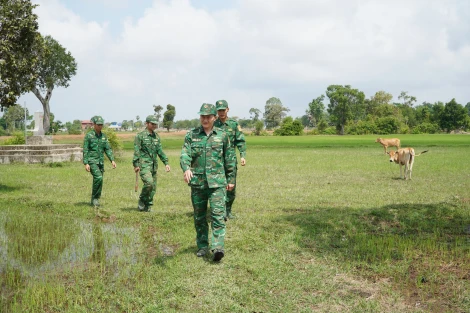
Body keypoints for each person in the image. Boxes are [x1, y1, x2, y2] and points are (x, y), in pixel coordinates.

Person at [180, 103, 236, 262]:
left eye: (208, 116)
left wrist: (231, 179)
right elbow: (185, 154)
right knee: (199, 216)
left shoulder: (222, 135)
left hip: (217, 183)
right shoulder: (192, 135)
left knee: (218, 215)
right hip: (198, 183)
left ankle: (218, 247)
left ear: (214, 117)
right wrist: (186, 168)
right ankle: (203, 245)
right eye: (202, 116)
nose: (205, 119)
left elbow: (229, 158)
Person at [214, 99, 246, 220]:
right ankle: (219, 211)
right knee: (218, 186)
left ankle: (228, 211)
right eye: (219, 110)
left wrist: (242, 155)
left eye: (223, 110)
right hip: (216, 160)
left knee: (231, 186)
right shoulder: (213, 123)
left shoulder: (233, 124)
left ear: (228, 109)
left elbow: (240, 140)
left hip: (230, 159)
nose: (221, 112)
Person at [133, 115, 171, 212]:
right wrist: (136, 164)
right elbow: (136, 151)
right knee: (149, 183)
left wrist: (166, 163)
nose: (154, 125)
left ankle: (148, 205)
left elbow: (160, 151)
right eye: (152, 124)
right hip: (144, 164)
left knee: (153, 187)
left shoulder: (156, 137)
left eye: (155, 124)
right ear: (147, 123)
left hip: (154, 165)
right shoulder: (140, 136)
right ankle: (142, 199)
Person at [83, 116, 117, 207]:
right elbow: (85, 149)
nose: (100, 126)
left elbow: (108, 149)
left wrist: (112, 160)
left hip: (100, 162)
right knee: (98, 177)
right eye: (98, 125)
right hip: (92, 161)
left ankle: (96, 199)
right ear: (94, 125)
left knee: (100, 181)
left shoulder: (103, 137)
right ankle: (94, 199)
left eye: (101, 125)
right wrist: (86, 163)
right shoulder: (89, 136)